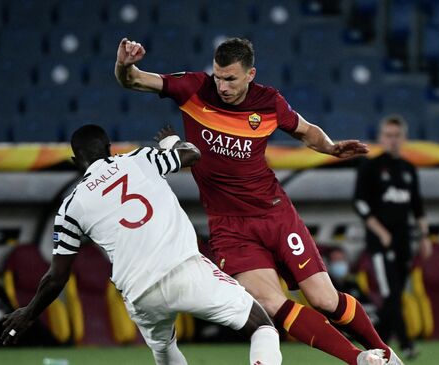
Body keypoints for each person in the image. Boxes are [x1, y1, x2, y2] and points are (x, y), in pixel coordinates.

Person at [114, 37, 397, 365]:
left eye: (230, 78)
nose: (222, 86)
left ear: (250, 74)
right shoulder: (192, 88)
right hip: (229, 227)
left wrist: (331, 147)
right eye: (218, 77)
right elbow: (134, 79)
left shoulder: (269, 102)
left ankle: (388, 357)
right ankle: (358, 360)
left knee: (324, 299)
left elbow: (306, 131)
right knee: (271, 303)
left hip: (275, 214)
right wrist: (124, 64)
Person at [1, 124, 283, 365]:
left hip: (139, 293)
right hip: (183, 270)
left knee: (166, 351)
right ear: (110, 148)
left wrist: (29, 313)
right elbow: (193, 155)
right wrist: (171, 141)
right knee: (262, 327)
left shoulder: (69, 208)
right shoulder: (139, 159)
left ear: (76, 160)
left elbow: (56, 277)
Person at [353, 115, 432, 359]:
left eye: (397, 135)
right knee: (391, 293)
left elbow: (416, 206)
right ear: (381, 137)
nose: (393, 140)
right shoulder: (370, 166)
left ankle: (376, 347)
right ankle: (406, 344)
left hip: (403, 242)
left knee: (395, 296)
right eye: (388, 135)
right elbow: (360, 203)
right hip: (380, 243)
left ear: (404, 138)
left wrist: (424, 236)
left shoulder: (408, 169)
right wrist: (381, 231)